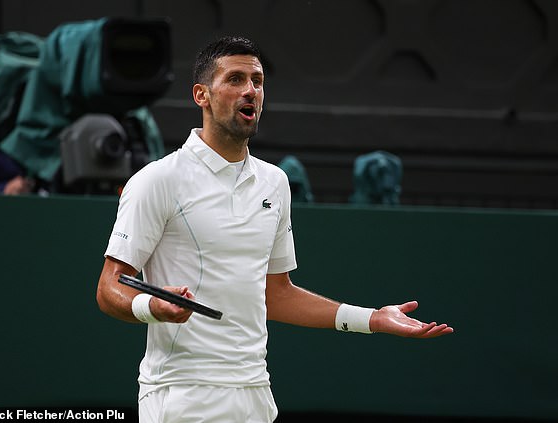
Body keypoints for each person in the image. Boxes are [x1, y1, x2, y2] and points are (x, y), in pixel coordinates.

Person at [96, 36, 453, 423]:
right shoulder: (157, 180)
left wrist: (373, 318)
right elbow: (110, 287)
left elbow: (275, 293)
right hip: (182, 395)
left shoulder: (275, 183)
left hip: (256, 395)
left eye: (257, 80)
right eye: (235, 79)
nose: (250, 90)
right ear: (202, 95)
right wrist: (153, 306)